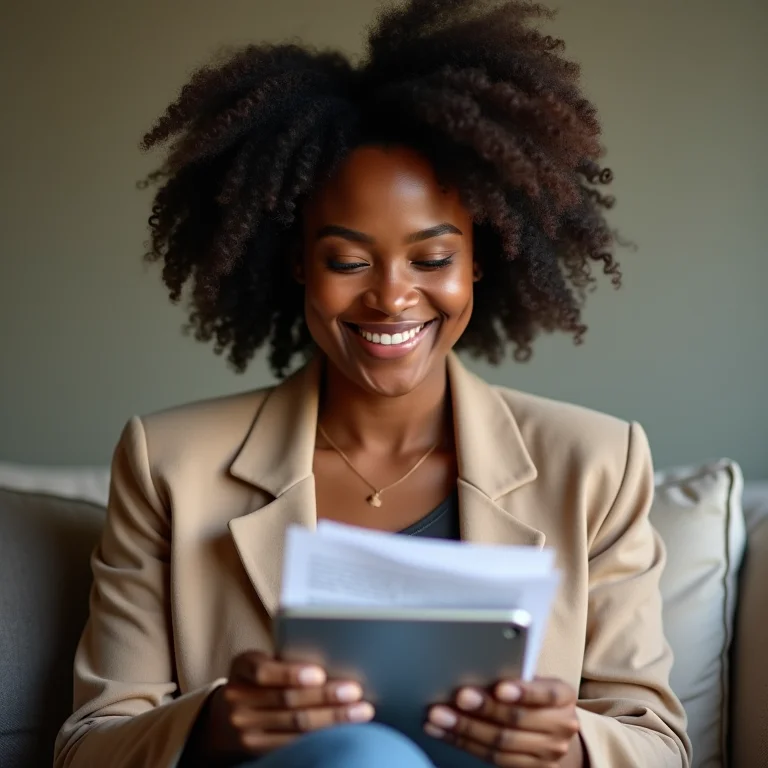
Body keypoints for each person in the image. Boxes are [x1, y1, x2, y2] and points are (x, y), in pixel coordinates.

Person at [54, 1, 691, 766]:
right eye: (348, 261)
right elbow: (88, 748)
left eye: (430, 260)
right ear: (297, 265)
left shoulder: (598, 465)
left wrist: (571, 744)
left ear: (479, 263)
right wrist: (216, 725)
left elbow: (659, 744)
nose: (391, 298)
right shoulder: (168, 464)